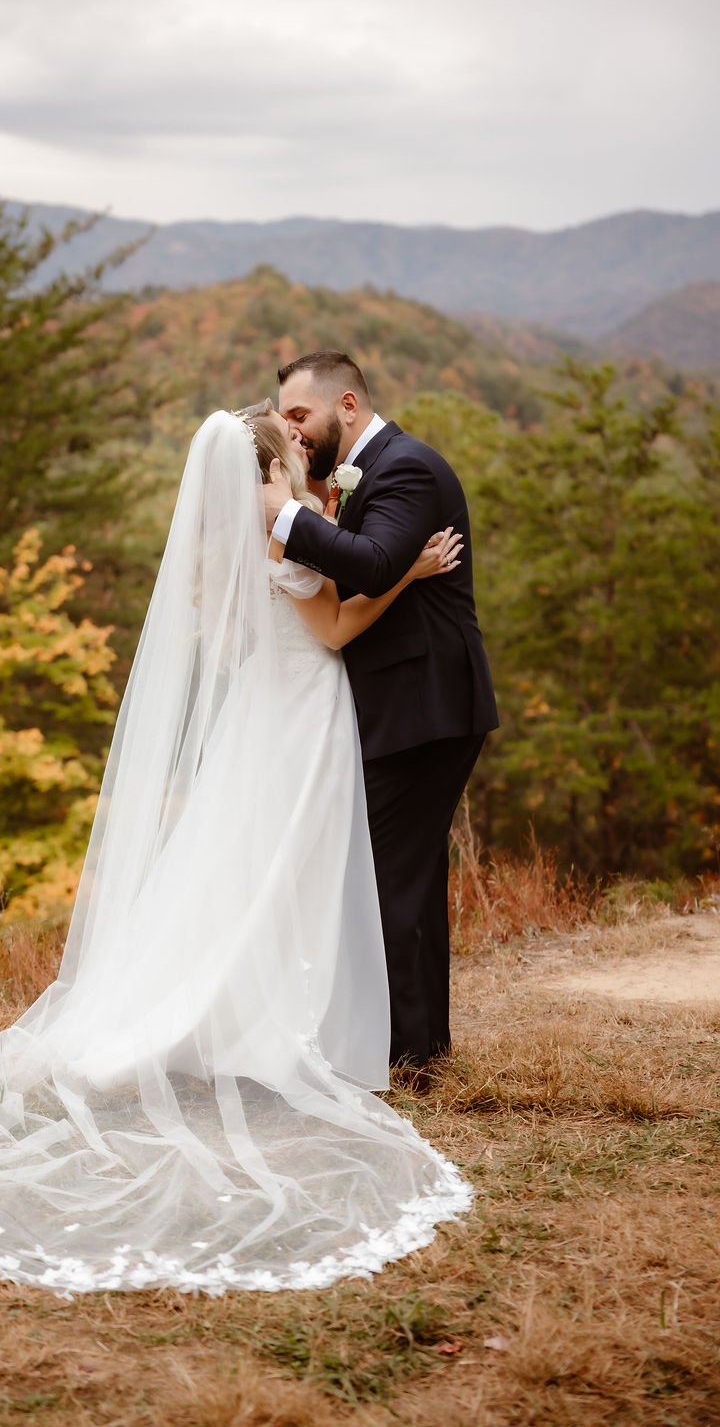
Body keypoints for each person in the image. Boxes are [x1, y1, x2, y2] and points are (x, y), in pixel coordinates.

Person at [0, 408, 471, 1298]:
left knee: (242, 873)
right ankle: (276, 1023)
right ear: (264, 460)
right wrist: (406, 572)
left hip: (260, 719)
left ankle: (234, 1016)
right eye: (289, 445)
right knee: (286, 875)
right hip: (303, 720)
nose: (304, 450)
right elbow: (334, 631)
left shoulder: (223, 538)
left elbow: (241, 637)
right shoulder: (281, 523)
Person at [263, 351, 499, 1072]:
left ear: (348, 405)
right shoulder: (365, 473)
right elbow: (365, 580)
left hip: (425, 701)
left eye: (301, 415)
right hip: (406, 703)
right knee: (409, 874)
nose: (295, 432)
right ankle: (421, 1046)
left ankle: (399, 1051)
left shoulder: (406, 467)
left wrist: (283, 516)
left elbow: (369, 561)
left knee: (389, 873)